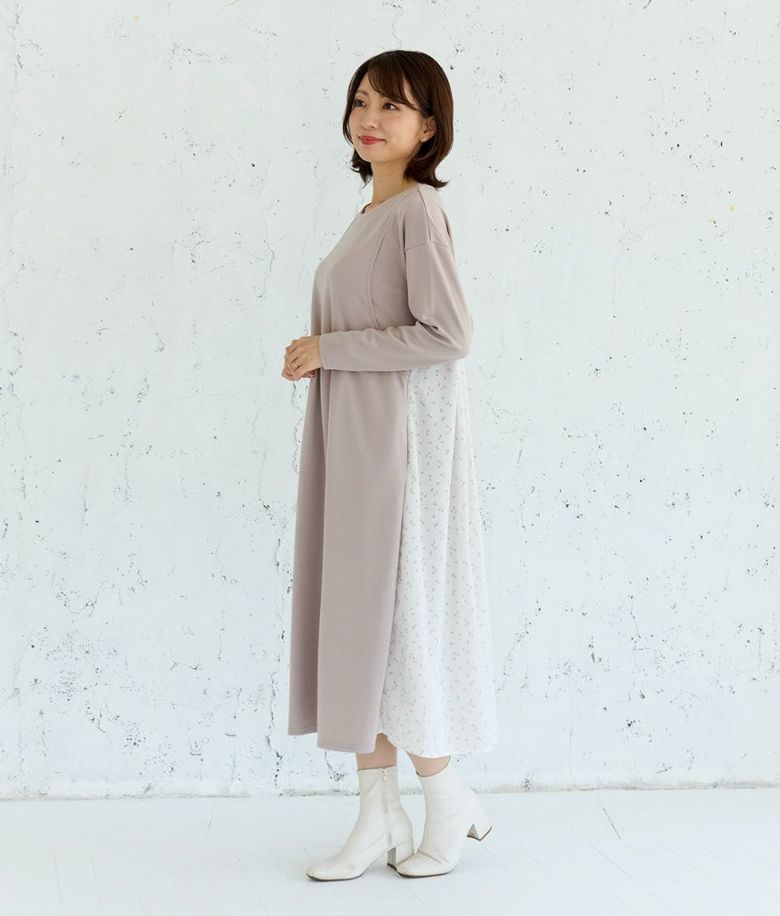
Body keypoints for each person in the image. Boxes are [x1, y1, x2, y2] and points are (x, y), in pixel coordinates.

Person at [282, 49, 499, 880]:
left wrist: (330, 348)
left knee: (394, 624)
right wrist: (322, 354)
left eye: (394, 107)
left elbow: (449, 335)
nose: (370, 119)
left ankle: (447, 798)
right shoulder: (370, 213)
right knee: (353, 622)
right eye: (362, 101)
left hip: (393, 452)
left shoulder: (417, 212)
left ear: (429, 127)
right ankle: (377, 815)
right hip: (353, 440)